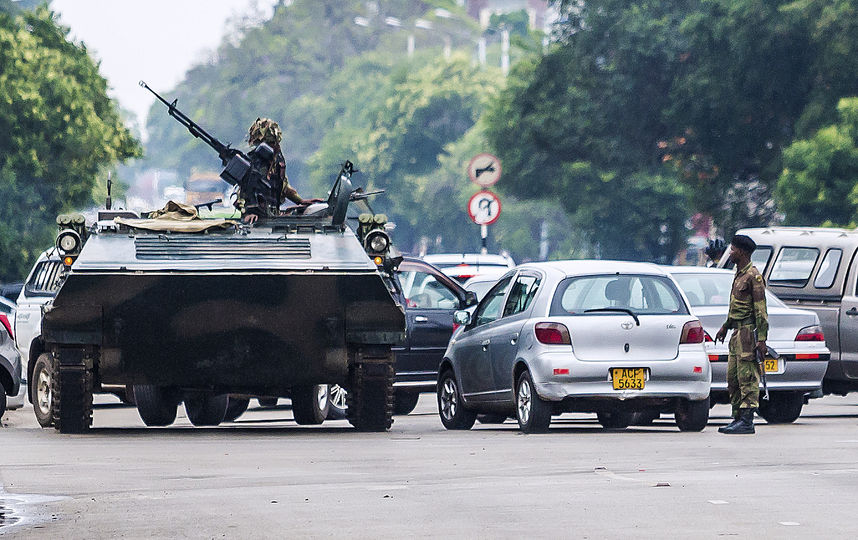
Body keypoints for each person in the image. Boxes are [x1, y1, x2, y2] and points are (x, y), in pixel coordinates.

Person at [714, 234, 769, 434]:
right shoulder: (739, 274)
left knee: (747, 377)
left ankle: (747, 420)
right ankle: (737, 417)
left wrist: (761, 340)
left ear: (743, 252)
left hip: (748, 334)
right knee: (733, 378)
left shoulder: (753, 276)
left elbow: (760, 311)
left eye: (733, 249)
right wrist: (725, 326)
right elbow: (736, 307)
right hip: (736, 333)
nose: (731, 252)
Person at [239, 117, 320, 224]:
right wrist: (250, 211)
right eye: (270, 143)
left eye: (274, 142)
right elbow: (243, 192)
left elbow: (282, 184)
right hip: (255, 218)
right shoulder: (253, 162)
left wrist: (299, 200)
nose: (274, 146)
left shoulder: (277, 158)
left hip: (272, 215)